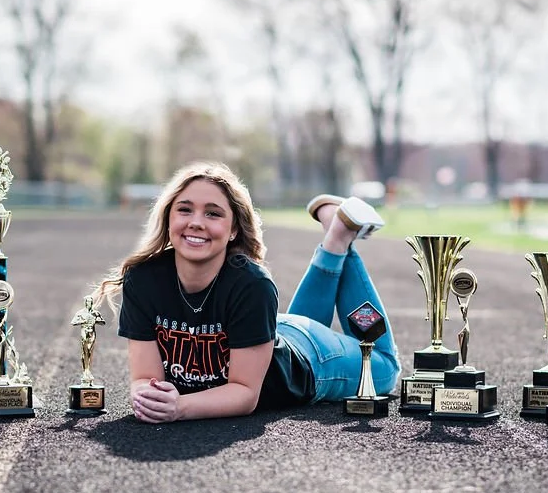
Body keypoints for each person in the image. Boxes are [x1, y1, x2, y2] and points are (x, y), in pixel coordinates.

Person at [93, 162, 400, 424]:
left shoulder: (252, 285)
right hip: (267, 337)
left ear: (234, 229)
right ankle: (336, 232)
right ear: (169, 218)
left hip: (314, 360)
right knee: (296, 323)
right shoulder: (143, 280)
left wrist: (179, 408)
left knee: (384, 369)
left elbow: (244, 393)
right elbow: (146, 380)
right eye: (184, 210)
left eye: (213, 214)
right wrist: (146, 395)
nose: (196, 222)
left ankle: (339, 235)